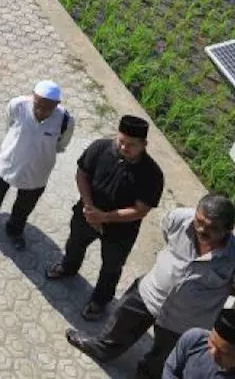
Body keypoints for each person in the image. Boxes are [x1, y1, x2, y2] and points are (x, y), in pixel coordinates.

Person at [66, 194, 235, 379]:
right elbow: (166, 232)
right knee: (120, 324)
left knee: (162, 358)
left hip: (186, 320)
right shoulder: (180, 218)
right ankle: (100, 348)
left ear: (228, 230)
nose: (202, 230)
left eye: (211, 228)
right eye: (199, 221)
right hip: (150, 293)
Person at [48, 114, 165, 321]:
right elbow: (82, 174)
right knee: (75, 243)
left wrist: (105, 217)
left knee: (111, 266)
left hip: (121, 229)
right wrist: (89, 206)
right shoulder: (101, 148)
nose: (124, 147)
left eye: (131, 144)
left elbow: (140, 210)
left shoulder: (152, 174)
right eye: (121, 141)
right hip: (87, 213)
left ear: (144, 145)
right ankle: (68, 267)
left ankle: (100, 300)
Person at [0, 79, 74, 249]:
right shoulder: (17, 106)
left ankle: (15, 230)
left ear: (57, 104)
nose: (41, 111)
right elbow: (9, 124)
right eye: (38, 105)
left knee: (25, 206)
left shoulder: (66, 120)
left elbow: (61, 144)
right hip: (8, 162)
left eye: (48, 108)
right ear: (33, 97)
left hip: (38, 171)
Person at [163, 308, 235, 379]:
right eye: (212, 342)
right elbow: (170, 369)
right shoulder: (195, 339)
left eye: (223, 352)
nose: (212, 352)